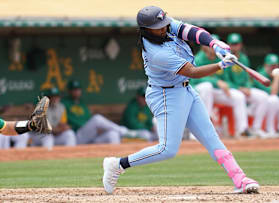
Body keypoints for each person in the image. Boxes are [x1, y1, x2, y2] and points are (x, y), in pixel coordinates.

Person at [102, 6, 259, 195]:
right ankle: (117, 164)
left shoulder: (164, 26)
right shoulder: (156, 53)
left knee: (211, 137)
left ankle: (240, 179)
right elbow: (192, 72)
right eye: (158, 27)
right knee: (167, 149)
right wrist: (220, 65)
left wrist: (214, 44)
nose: (163, 28)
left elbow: (191, 31)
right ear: (146, 29)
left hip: (185, 90)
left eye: (163, 24)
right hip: (166, 96)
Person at [191, 34, 248, 137]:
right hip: (197, 92)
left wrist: (231, 86)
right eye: (210, 46)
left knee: (238, 96)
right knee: (207, 86)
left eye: (215, 45)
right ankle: (203, 128)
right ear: (204, 46)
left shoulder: (220, 59)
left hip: (216, 92)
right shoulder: (198, 59)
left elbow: (226, 81)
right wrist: (216, 82)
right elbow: (193, 78)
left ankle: (242, 130)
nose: (213, 48)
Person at [226, 33, 269, 138]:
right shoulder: (224, 58)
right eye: (232, 44)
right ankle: (242, 130)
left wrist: (248, 87)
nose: (234, 46)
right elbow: (225, 80)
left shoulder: (244, 59)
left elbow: (248, 78)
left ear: (240, 45)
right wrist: (239, 88)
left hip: (243, 89)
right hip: (231, 90)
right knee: (239, 96)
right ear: (228, 45)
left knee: (263, 97)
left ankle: (256, 128)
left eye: (236, 44)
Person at [62, 80, 128, 144]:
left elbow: (89, 119)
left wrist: (97, 128)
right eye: (74, 89)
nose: (77, 91)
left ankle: (116, 154)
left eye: (78, 89)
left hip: (90, 135)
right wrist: (93, 127)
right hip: (77, 135)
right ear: (69, 91)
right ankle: (125, 132)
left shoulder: (82, 104)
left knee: (113, 134)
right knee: (97, 118)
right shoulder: (64, 103)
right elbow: (72, 121)